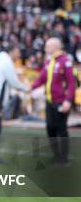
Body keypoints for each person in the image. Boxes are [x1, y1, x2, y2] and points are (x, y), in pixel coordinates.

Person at [31, 37, 76, 165]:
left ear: (56, 47)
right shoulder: (48, 61)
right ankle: (56, 155)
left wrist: (68, 101)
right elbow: (42, 78)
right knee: (50, 129)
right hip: (49, 101)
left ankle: (64, 158)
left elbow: (71, 83)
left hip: (61, 102)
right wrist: (32, 87)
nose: (45, 48)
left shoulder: (65, 61)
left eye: (48, 46)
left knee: (62, 130)